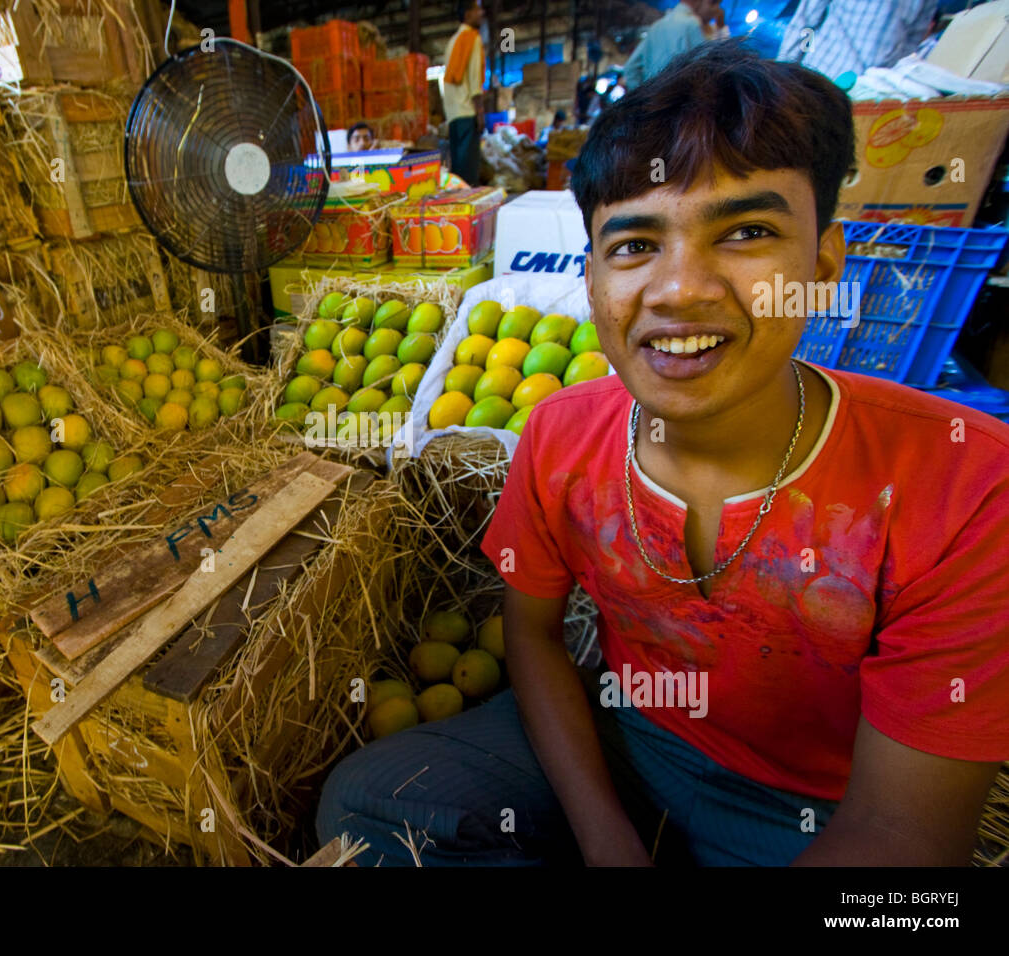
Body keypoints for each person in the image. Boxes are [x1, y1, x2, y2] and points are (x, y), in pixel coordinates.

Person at [315, 38, 1009, 867]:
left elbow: (905, 837)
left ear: (822, 266)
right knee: (368, 808)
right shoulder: (561, 434)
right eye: (636, 244)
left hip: (814, 810)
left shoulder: (966, 485)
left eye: (746, 230)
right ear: (594, 278)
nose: (679, 289)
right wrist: (605, 836)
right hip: (630, 737)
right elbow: (532, 636)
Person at [776, 0, 937, 82]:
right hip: (822, 78)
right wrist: (783, 75)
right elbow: (806, 21)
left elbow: (914, 37)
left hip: (874, 90)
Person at [621, 1, 725, 92]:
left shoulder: (657, 26)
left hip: (655, 104)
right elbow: (709, 68)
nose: (717, 10)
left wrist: (644, 98)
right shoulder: (691, 25)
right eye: (713, 3)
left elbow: (631, 67)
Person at [441, 0, 485, 185]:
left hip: (453, 116)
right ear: (467, 15)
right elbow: (475, 81)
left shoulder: (452, 42)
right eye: (477, 9)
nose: (481, 13)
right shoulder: (472, 39)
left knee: (458, 174)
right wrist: (480, 113)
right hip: (467, 113)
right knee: (469, 175)